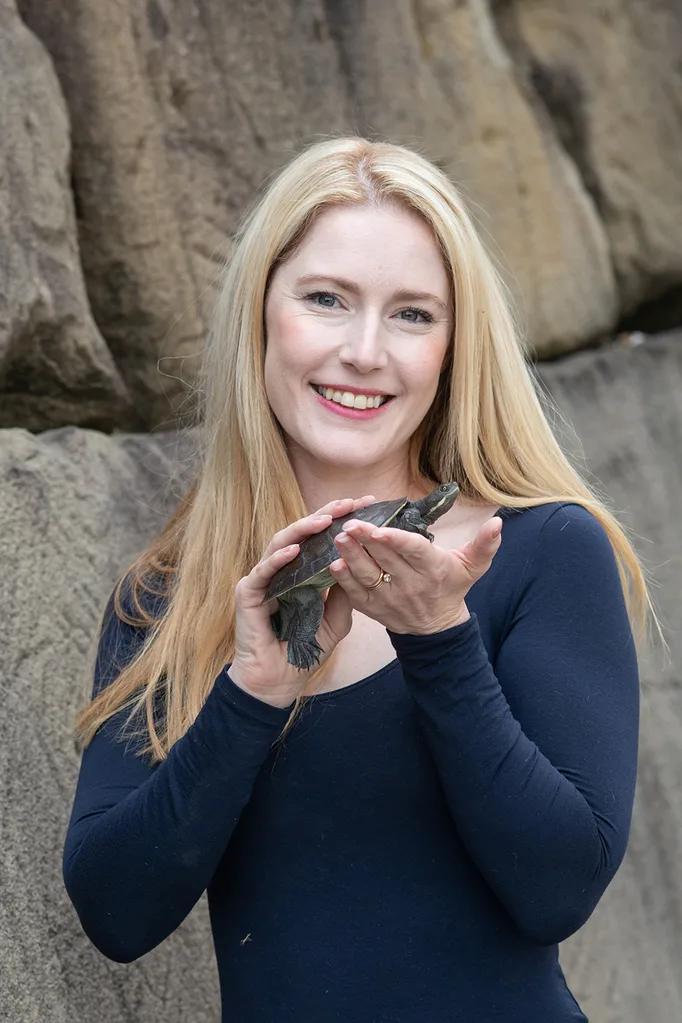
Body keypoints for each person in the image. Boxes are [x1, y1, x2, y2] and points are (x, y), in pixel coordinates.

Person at [63, 136, 657, 1022]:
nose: (365, 350)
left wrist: (440, 641)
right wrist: (253, 692)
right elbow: (116, 911)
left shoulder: (540, 549)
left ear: (455, 347)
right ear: (262, 313)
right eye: (327, 299)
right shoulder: (170, 596)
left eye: (414, 314)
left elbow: (558, 888)